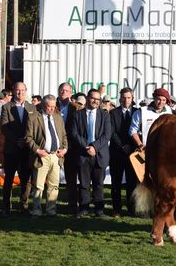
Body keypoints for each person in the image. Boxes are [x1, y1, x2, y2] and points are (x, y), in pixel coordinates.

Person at [69, 88, 112, 217]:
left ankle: (99, 209)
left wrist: (94, 147)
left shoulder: (105, 115)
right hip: (83, 154)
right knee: (84, 184)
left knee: (99, 184)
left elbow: (107, 134)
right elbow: (74, 134)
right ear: (87, 98)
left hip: (99, 154)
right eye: (93, 98)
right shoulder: (77, 114)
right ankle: (84, 208)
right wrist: (88, 147)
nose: (95, 101)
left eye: (98, 99)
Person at [25, 94, 68, 216]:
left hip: (56, 156)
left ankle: (51, 210)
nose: (51, 109)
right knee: (38, 186)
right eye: (49, 106)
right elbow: (28, 138)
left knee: (54, 185)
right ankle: (37, 210)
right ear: (43, 105)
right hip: (41, 156)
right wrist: (37, 150)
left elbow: (64, 136)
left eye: (53, 107)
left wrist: (64, 149)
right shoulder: (33, 117)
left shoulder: (58, 118)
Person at [0, 82, 36, 214]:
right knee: (8, 179)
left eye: (22, 90)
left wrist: (26, 142)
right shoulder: (6, 107)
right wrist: (17, 141)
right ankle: (6, 207)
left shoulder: (32, 107)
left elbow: (35, 127)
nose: (20, 93)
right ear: (13, 91)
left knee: (26, 180)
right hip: (12, 149)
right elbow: (4, 127)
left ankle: (24, 205)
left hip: (27, 149)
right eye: (17, 90)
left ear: (26, 91)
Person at [109, 88, 138, 217]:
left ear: (132, 98)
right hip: (117, 152)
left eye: (129, 97)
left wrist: (131, 146)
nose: (126, 100)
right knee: (116, 183)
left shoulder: (138, 112)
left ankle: (132, 209)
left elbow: (139, 130)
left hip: (133, 153)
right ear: (120, 98)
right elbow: (112, 132)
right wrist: (122, 146)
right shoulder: (112, 113)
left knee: (132, 183)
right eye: (124, 97)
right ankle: (117, 209)